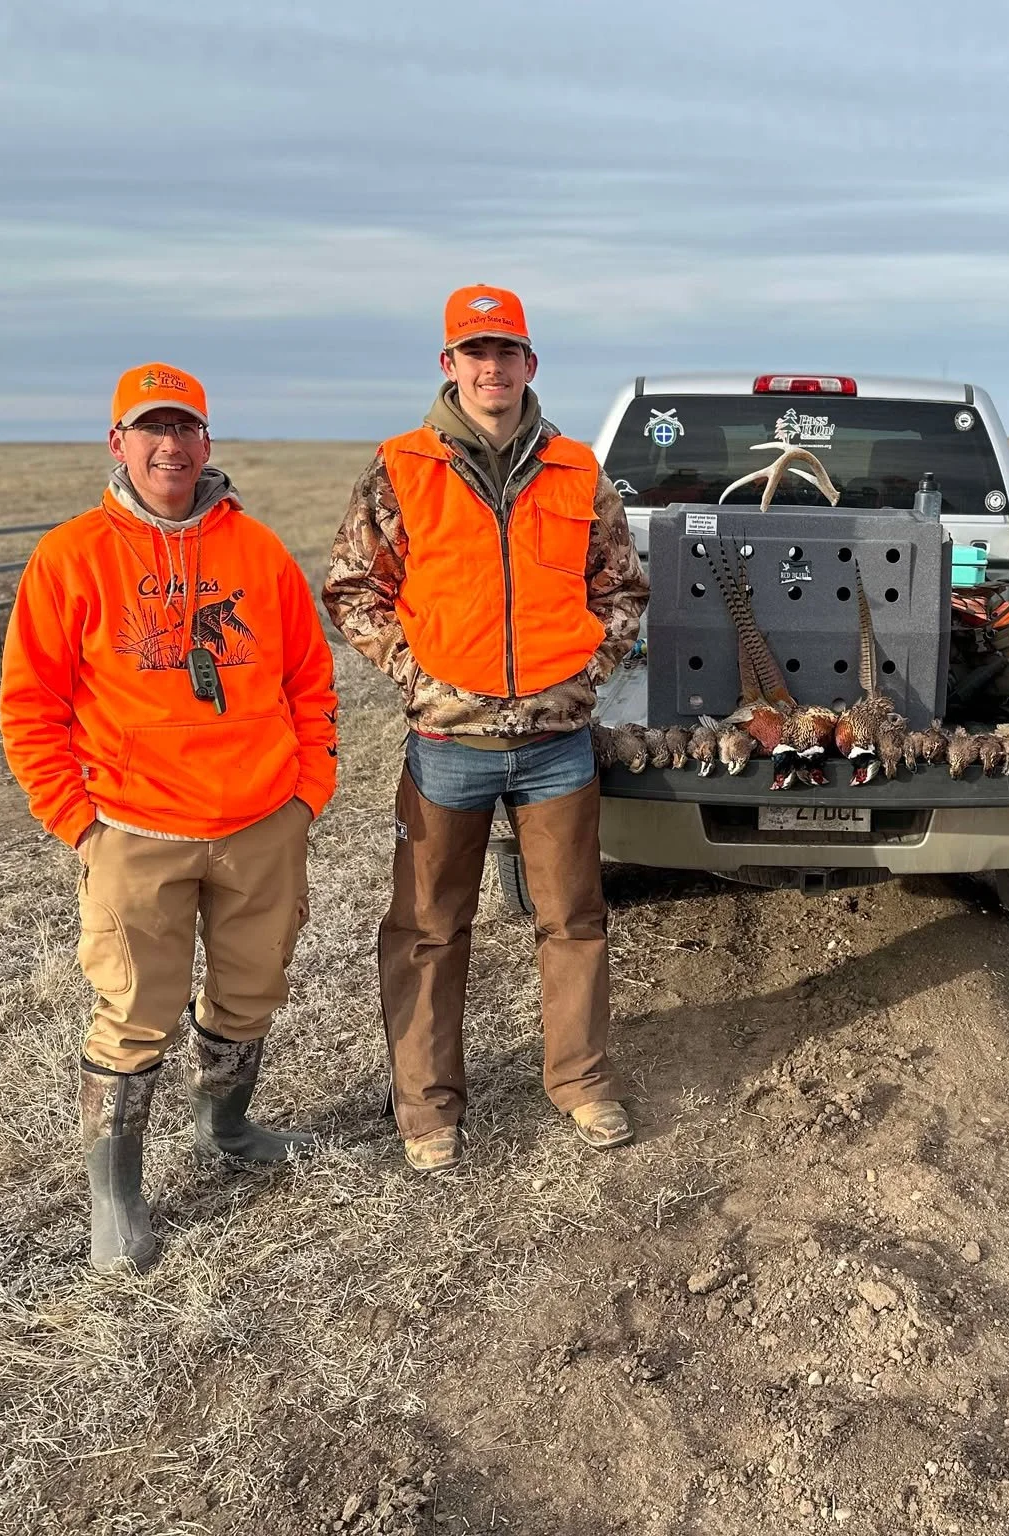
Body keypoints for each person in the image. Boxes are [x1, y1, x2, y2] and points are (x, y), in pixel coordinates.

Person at [1, 363, 339, 1272]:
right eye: (150, 428)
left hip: (263, 820)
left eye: (185, 428)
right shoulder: (72, 555)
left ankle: (224, 1130)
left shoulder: (257, 552)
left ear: (207, 443)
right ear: (118, 443)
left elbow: (310, 678)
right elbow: (30, 707)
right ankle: (116, 1195)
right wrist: (79, 822)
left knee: (251, 988)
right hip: (134, 829)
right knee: (134, 1009)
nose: (169, 445)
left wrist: (310, 792)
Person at [322, 285, 648, 1172]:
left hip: (557, 745)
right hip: (447, 744)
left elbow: (621, 590)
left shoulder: (579, 470)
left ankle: (581, 1083)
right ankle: (428, 1110)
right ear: (449, 366)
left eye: (506, 351)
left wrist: (584, 679)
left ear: (530, 365)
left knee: (573, 920)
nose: (491, 367)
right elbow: (353, 587)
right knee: (428, 928)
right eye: (475, 352)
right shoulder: (401, 468)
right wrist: (416, 675)